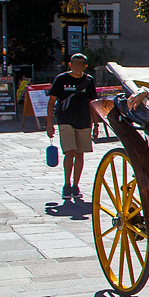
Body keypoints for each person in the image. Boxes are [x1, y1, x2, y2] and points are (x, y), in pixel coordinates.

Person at [46, 53, 97, 201]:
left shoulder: (88, 81)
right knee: (70, 152)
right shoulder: (61, 79)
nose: (76, 66)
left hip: (83, 121)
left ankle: (76, 185)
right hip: (65, 120)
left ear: (84, 66)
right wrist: (49, 124)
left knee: (80, 154)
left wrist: (96, 124)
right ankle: (67, 184)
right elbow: (51, 102)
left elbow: (92, 103)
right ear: (70, 64)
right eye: (74, 63)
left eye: (79, 64)